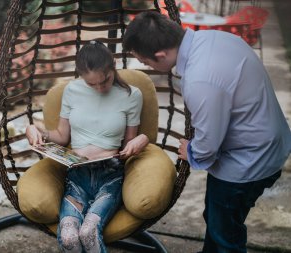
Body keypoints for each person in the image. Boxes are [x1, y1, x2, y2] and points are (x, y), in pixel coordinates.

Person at [123, 11, 291, 253]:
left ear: (161, 55)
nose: (146, 66)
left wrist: (190, 150)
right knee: (217, 219)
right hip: (269, 140)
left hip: (249, 160)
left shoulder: (200, 79)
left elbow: (208, 144)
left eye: (146, 62)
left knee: (225, 232)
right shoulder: (217, 38)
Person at [25, 40, 149, 253]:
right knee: (69, 236)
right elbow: (62, 137)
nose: (100, 88)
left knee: (88, 232)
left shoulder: (132, 95)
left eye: (106, 80)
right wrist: (37, 131)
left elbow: (129, 144)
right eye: (92, 84)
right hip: (77, 175)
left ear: (114, 66)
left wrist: (142, 139)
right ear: (81, 75)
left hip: (110, 174)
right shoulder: (72, 90)